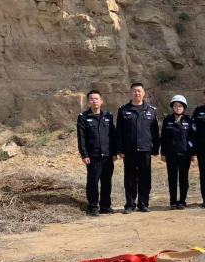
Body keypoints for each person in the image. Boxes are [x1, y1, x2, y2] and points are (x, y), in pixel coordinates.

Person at [116, 82, 159, 214]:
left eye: (139, 91)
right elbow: (119, 132)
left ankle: (143, 204)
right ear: (131, 93)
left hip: (145, 150)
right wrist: (120, 149)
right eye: (134, 91)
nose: (137, 93)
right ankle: (130, 204)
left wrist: (156, 148)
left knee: (145, 178)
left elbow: (155, 132)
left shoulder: (151, 110)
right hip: (129, 151)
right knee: (130, 179)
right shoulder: (123, 110)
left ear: (143, 93)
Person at [76, 90, 116, 216]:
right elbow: (81, 137)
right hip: (93, 156)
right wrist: (84, 154)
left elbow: (113, 135)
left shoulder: (108, 116)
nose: (94, 101)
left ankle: (105, 206)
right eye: (91, 99)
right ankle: (93, 206)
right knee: (93, 182)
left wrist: (115, 152)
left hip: (107, 155)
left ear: (101, 101)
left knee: (106, 182)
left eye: (96, 98)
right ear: (88, 102)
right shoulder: (83, 117)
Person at [160, 95, 194, 210]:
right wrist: (163, 153)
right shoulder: (167, 120)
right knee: (172, 179)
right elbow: (163, 138)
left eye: (180, 106)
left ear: (184, 107)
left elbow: (192, 138)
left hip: (185, 155)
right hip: (171, 155)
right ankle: (173, 201)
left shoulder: (189, 120)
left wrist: (192, 153)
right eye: (175, 106)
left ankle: (182, 201)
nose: (178, 108)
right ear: (172, 107)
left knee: (184, 179)